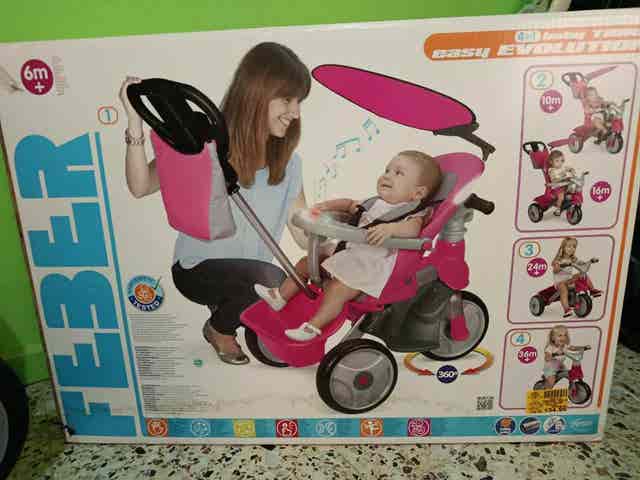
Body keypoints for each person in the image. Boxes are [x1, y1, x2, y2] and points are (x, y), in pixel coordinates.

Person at [119, 42, 311, 365]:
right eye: (288, 100)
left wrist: (333, 240)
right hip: (198, 270)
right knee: (274, 282)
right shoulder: (203, 146)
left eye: (299, 102)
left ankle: (235, 307)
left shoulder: (289, 164)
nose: (296, 113)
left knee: (290, 286)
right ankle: (219, 328)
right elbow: (140, 187)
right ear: (257, 94)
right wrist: (134, 122)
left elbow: (301, 230)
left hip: (252, 277)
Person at [254, 150, 442, 342]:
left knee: (337, 290)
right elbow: (349, 204)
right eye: (387, 170)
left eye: (398, 173)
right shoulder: (374, 203)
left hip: (367, 269)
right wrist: (325, 206)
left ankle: (313, 327)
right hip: (349, 253)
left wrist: (391, 229)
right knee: (307, 262)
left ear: (418, 193)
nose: (387, 175)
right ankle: (280, 296)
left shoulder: (411, 213)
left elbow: (413, 229)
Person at [552, 237, 602, 318]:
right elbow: (555, 270)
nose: (572, 249)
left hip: (569, 279)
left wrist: (590, 261)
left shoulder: (573, 259)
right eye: (569, 246)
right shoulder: (558, 260)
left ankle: (592, 290)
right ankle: (566, 309)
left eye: (574, 247)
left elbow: (582, 264)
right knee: (563, 289)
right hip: (560, 282)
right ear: (563, 248)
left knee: (583, 275)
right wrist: (561, 266)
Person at [547, 150, 575, 216]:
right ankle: (558, 209)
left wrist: (572, 170)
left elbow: (569, 168)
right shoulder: (552, 170)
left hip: (565, 184)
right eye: (557, 161)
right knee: (561, 196)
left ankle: (569, 201)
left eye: (561, 161)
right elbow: (553, 180)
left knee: (574, 188)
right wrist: (562, 178)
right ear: (551, 162)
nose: (560, 163)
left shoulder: (562, 167)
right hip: (557, 186)